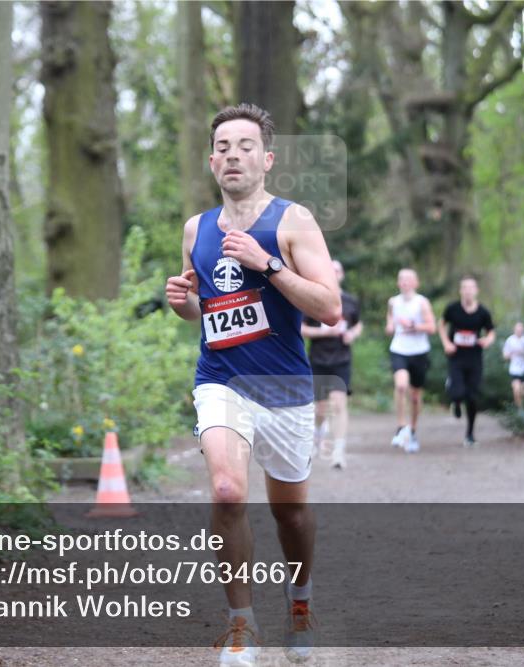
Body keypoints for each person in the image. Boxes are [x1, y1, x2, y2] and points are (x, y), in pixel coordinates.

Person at [165, 103, 341, 666]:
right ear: (211, 162)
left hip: (284, 383)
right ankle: (241, 625)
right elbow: (203, 308)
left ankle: (300, 601)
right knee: (226, 491)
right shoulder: (196, 228)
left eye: (244, 146)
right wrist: (183, 304)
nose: (232, 155)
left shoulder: (294, 221)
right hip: (221, 378)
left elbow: (331, 307)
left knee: (289, 511)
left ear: (266, 159)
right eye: (222, 147)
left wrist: (267, 265)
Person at [301, 259, 362, 470]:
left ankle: (338, 451)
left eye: (338, 270)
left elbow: (358, 324)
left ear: (342, 274)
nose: (334, 274)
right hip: (318, 358)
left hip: (342, 359)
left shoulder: (351, 301)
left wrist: (352, 334)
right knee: (321, 408)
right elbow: (302, 329)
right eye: (331, 270)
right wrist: (323, 332)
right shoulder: (314, 300)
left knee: (339, 403)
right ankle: (318, 433)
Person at [438, 275, 495, 447]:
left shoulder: (483, 312)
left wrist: (487, 340)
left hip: (474, 358)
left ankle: (469, 434)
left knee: (472, 397)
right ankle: (455, 401)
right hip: (456, 357)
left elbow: (491, 331)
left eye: (471, 288)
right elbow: (440, 324)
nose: (468, 291)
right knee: (457, 392)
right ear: (461, 291)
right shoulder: (453, 309)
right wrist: (446, 343)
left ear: (476, 291)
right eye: (465, 288)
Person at [385, 268, 435, 453]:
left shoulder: (422, 302)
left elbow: (432, 327)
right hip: (399, 349)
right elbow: (389, 323)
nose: (405, 282)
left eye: (408, 279)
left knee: (415, 397)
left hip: (419, 351)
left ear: (416, 283)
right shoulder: (393, 302)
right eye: (402, 279)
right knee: (400, 386)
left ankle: (412, 430)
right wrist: (390, 327)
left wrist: (414, 326)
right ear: (398, 283)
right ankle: (401, 426)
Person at [502, 322, 524, 410]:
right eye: (517, 329)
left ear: (523, 330)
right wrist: (512, 353)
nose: (519, 331)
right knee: (516, 390)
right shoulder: (510, 340)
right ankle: (520, 410)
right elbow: (505, 356)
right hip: (515, 370)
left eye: (521, 329)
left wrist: (522, 352)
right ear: (514, 330)